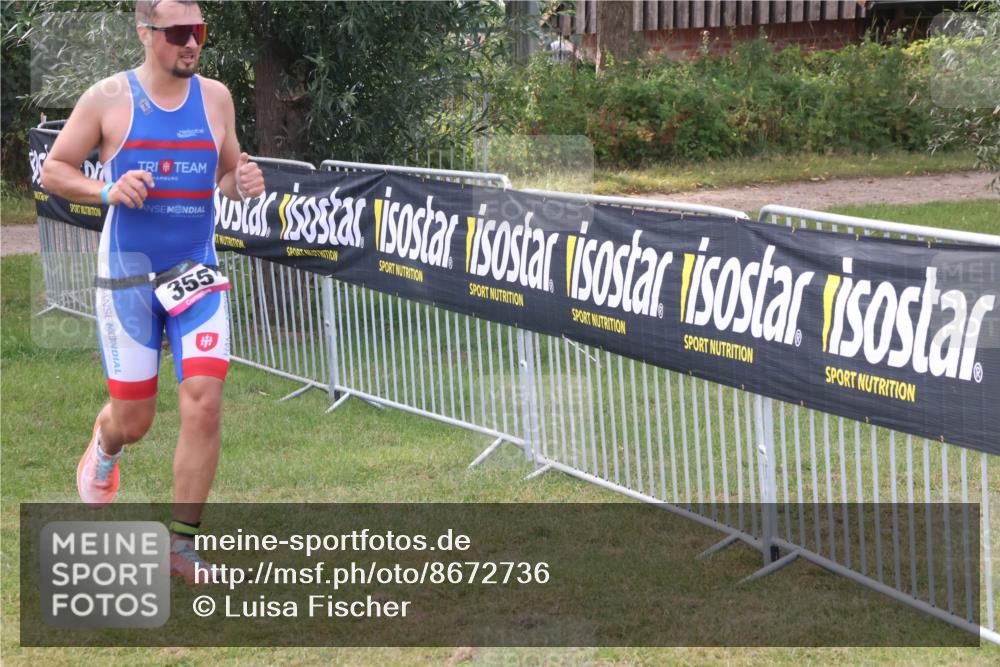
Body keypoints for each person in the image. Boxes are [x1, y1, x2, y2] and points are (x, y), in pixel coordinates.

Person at [40, 0, 264, 583]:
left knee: (205, 399)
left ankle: (181, 544)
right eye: (179, 32)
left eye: (201, 31)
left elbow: (227, 175)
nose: (192, 43)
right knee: (134, 421)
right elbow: (54, 171)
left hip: (196, 271)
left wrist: (241, 184)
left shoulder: (216, 97)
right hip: (127, 277)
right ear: (145, 33)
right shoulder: (108, 98)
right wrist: (106, 189)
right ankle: (106, 442)